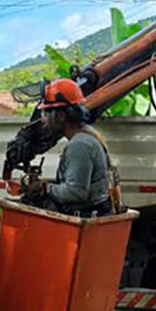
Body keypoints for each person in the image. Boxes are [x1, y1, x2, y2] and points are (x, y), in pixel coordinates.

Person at [24, 79, 113, 217]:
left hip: (85, 222)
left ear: (60, 116)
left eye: (46, 114)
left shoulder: (79, 145)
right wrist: (49, 184)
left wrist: (45, 188)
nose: (43, 120)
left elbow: (76, 192)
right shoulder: (85, 137)